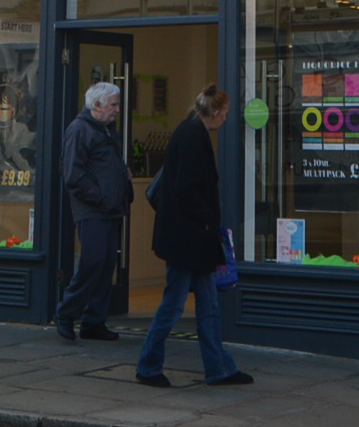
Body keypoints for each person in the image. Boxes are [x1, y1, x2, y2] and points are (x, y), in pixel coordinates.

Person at [135, 83, 251, 389]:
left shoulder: (192, 132)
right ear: (214, 112)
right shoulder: (191, 137)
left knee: (209, 307)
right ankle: (148, 366)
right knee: (173, 305)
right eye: (225, 113)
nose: (226, 118)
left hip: (194, 239)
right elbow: (186, 190)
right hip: (187, 240)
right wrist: (208, 220)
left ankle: (219, 368)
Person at [53, 80, 130, 342]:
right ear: (97, 105)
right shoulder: (79, 129)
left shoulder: (105, 129)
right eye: (114, 104)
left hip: (110, 209)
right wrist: (100, 196)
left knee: (106, 265)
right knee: (93, 262)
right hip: (92, 210)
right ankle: (66, 314)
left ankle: (93, 322)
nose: (117, 109)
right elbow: (73, 175)